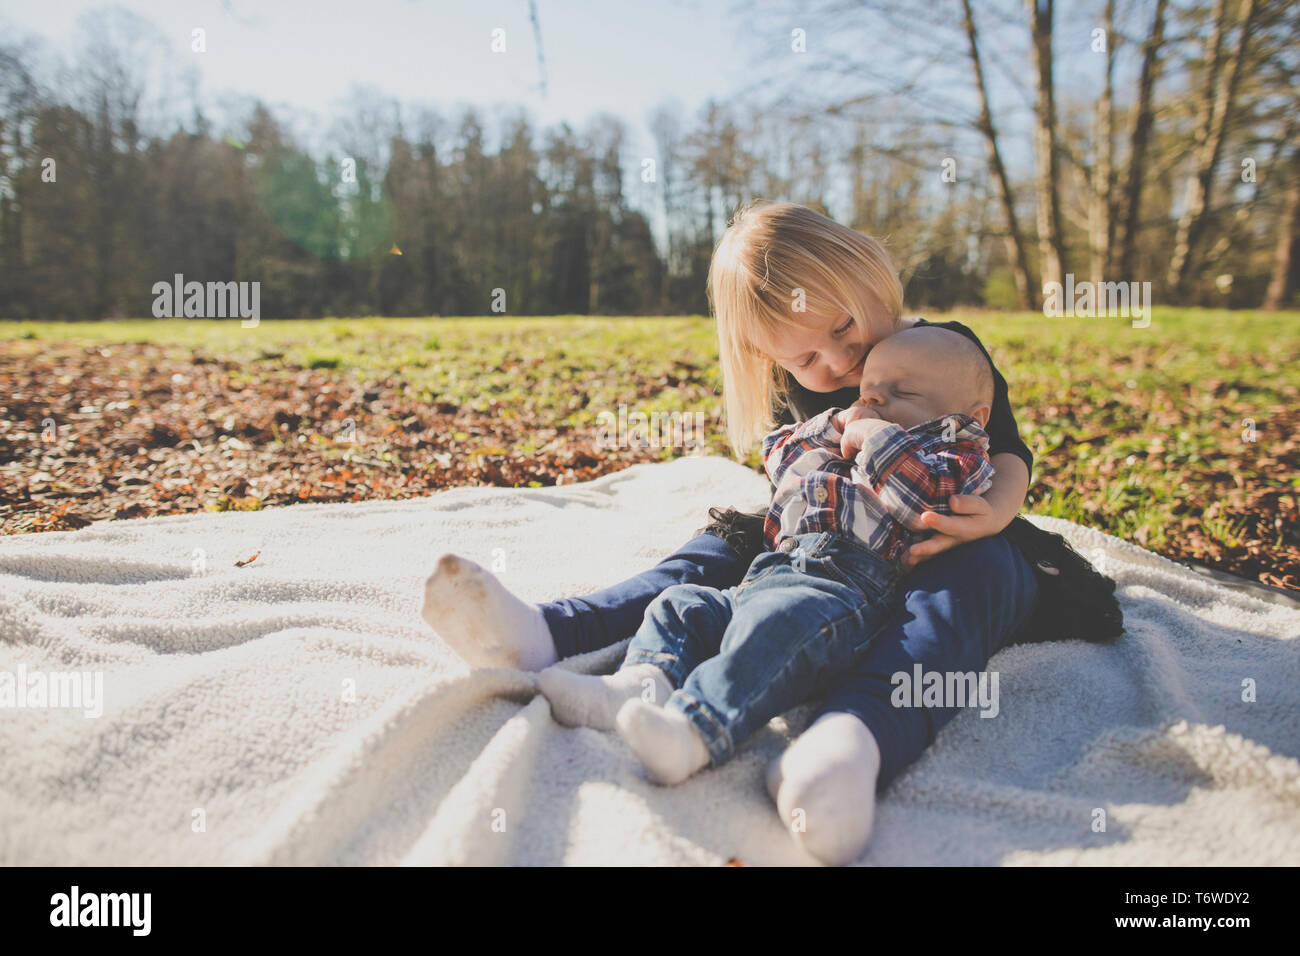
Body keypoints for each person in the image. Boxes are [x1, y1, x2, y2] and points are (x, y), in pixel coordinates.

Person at [422, 201, 1040, 865]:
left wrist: (997, 511)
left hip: (936, 535)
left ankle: (851, 743)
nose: (840, 360)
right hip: (827, 555)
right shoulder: (803, 386)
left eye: (844, 324)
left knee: (983, 578)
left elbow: (1004, 449)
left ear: (870, 276)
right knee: (721, 548)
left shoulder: (944, 352)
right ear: (772, 359)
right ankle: (552, 634)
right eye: (806, 355)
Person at [571, 326, 997, 788]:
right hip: (771, 568)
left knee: (771, 629)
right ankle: (640, 685)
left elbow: (925, 497)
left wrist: (876, 437)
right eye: (869, 389)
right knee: (681, 604)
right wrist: (834, 428)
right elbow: (780, 456)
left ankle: (697, 729)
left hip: (845, 589)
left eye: (902, 392)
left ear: (969, 415)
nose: (873, 400)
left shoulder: (958, 453)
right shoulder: (844, 431)